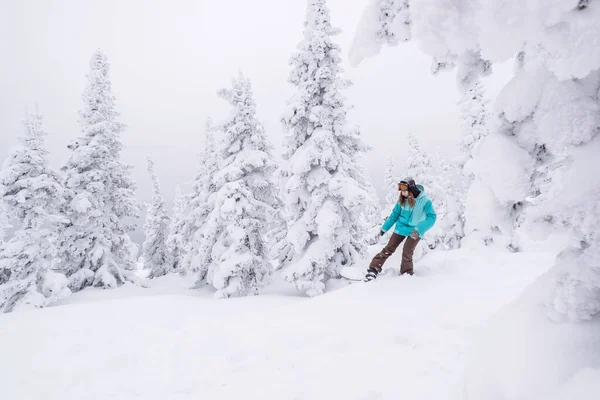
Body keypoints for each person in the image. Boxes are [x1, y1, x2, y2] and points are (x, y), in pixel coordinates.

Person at [365, 178, 437, 281]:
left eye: (404, 190)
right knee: (389, 248)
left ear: (411, 189)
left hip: (416, 230)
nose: (402, 193)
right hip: (401, 228)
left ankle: (406, 274)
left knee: (407, 251)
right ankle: (373, 268)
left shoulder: (425, 201)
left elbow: (432, 217)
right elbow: (394, 215)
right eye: (401, 191)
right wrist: (384, 228)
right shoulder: (402, 200)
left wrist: (419, 228)